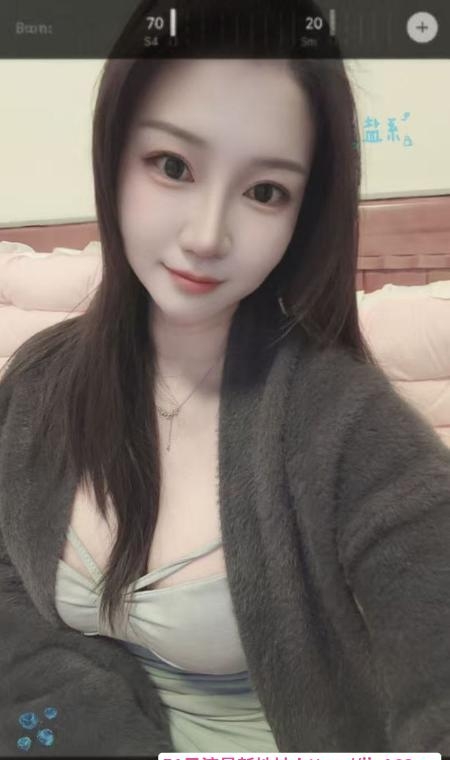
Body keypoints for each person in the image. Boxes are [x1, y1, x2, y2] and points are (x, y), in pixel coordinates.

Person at [2, 3, 450, 756]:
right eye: (173, 166)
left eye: (265, 191)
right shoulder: (41, 382)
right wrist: (76, 719)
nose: (208, 236)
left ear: (303, 214)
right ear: (113, 156)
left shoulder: (347, 428)